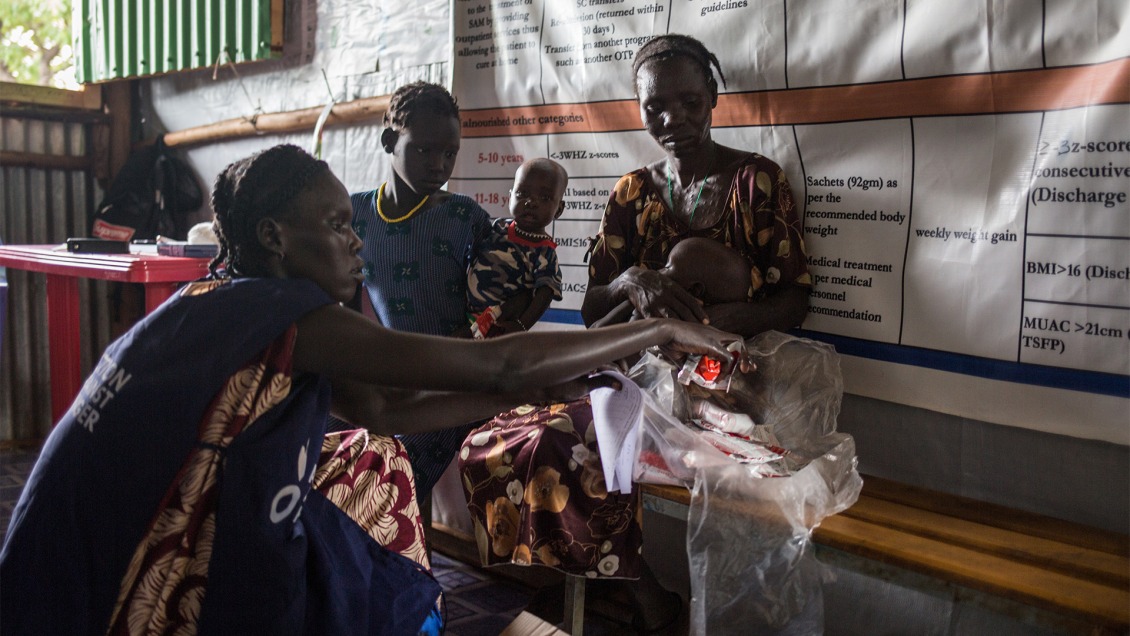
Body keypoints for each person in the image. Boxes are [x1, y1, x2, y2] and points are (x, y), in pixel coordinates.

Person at [0, 144, 747, 636]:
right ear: (273, 238)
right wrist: (656, 329)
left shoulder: (221, 300)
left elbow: (380, 409)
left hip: (59, 545)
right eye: (335, 225)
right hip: (101, 567)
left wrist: (551, 388)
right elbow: (502, 365)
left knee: (369, 464)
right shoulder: (284, 313)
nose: (355, 240)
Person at [460, 34, 811, 633]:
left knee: (568, 447)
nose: (674, 119)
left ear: (713, 98)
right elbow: (593, 309)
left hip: (724, 388)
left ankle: (632, 592)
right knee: (507, 441)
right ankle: (636, 585)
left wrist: (700, 329)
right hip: (635, 380)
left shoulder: (756, 182)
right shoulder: (632, 192)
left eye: (690, 102)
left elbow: (794, 298)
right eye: (656, 107)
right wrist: (631, 280)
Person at [349, 81, 493, 500]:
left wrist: (468, 343)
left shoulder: (463, 217)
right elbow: (344, 306)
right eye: (424, 150)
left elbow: (501, 298)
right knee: (325, 440)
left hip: (456, 379)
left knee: (391, 474)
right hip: (392, 374)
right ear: (389, 141)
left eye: (449, 153)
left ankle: (399, 539)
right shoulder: (355, 214)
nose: (438, 165)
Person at [464, 157, 567, 338]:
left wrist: (521, 326)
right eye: (522, 193)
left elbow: (545, 294)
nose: (531, 202)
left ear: (559, 209)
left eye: (544, 197)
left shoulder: (544, 252)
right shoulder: (498, 227)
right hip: (464, 315)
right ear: (509, 197)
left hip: (498, 326)